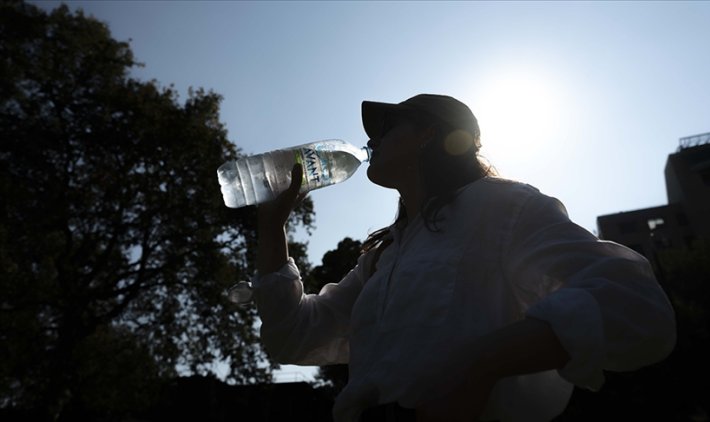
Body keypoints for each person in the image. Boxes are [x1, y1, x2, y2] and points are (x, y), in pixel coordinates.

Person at [251, 94, 676, 422]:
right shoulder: (381, 258)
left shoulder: (503, 206)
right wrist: (272, 229)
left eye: (388, 124)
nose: (371, 139)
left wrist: (477, 366)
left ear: (428, 134)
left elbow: (632, 303)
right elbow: (294, 338)